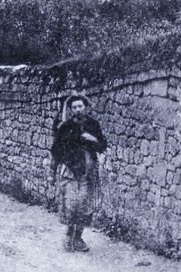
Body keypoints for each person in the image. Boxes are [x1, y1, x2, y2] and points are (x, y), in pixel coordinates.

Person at [50, 95, 107, 253]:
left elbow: (102, 146)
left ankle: (78, 237)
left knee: (85, 205)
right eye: (74, 107)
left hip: (88, 171)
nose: (77, 110)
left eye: (80, 106)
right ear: (71, 110)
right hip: (70, 171)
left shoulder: (93, 125)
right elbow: (55, 150)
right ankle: (69, 235)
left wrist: (92, 139)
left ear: (85, 107)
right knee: (72, 204)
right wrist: (52, 171)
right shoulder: (65, 126)